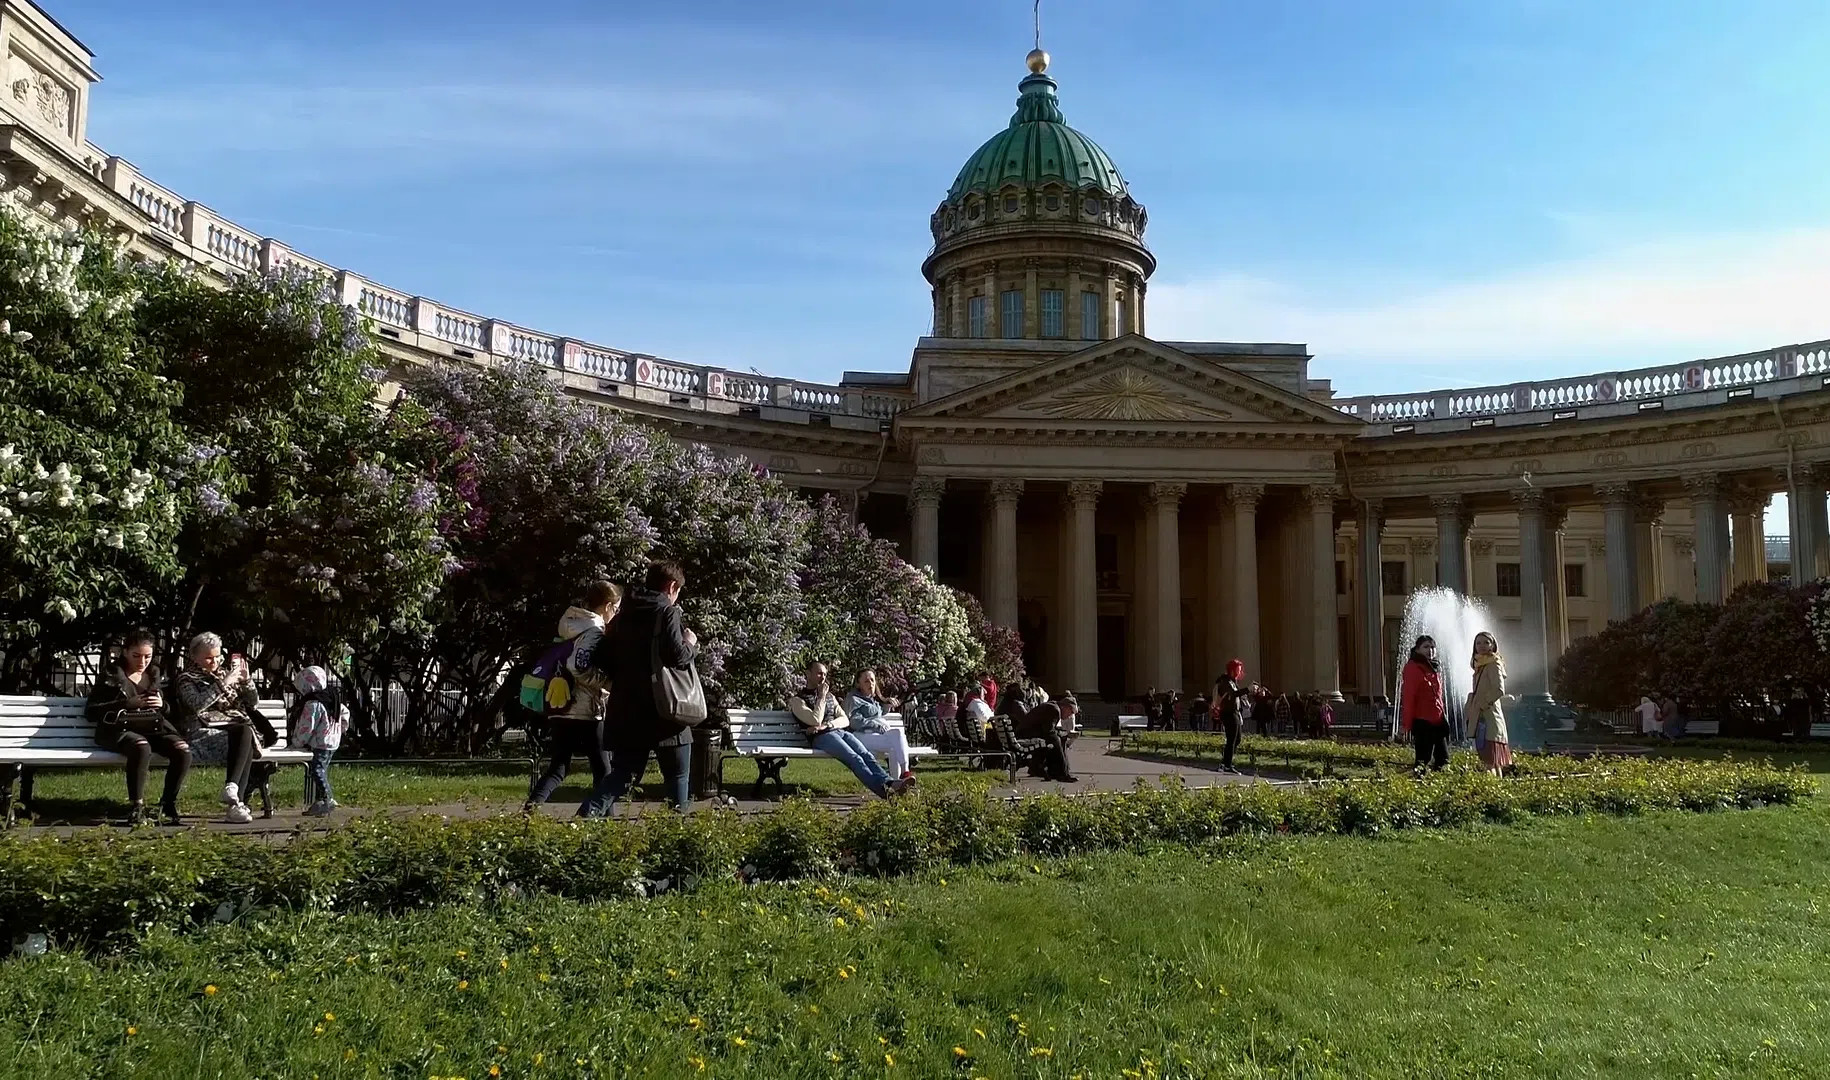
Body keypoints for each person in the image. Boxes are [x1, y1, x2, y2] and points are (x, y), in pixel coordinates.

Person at [579, 561, 698, 817]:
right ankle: (677, 836)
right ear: (672, 586)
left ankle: (588, 814)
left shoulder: (623, 615)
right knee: (678, 776)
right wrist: (691, 644)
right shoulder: (667, 612)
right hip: (665, 710)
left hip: (627, 709)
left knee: (622, 774)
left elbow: (602, 657)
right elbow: (677, 656)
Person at [525, 581, 620, 811]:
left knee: (559, 767)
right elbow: (578, 666)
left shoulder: (571, 625)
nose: (615, 614)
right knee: (604, 772)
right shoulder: (593, 631)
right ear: (607, 606)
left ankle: (531, 808)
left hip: (561, 706)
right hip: (586, 710)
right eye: (616, 609)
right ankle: (606, 821)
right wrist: (607, 682)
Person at [86, 629, 191, 825]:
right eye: (136, 656)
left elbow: (171, 711)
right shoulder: (112, 674)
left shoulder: (155, 673)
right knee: (141, 746)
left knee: (182, 750)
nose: (142, 662)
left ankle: (167, 804)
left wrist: (162, 705)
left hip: (153, 727)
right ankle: (137, 807)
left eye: (147, 657)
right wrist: (126, 704)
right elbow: (91, 711)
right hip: (119, 730)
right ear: (124, 652)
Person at [174, 632, 278, 824]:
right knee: (245, 736)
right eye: (208, 658)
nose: (214, 661)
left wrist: (247, 682)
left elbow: (252, 703)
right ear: (194, 657)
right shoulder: (186, 679)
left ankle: (233, 792)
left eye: (217, 656)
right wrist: (222, 685)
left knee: (245, 732)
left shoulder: (226, 673)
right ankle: (236, 804)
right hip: (202, 732)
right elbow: (196, 704)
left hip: (234, 730)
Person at [787, 661, 911, 798]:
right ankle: (886, 792)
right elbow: (815, 720)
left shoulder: (830, 697)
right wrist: (821, 697)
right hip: (821, 737)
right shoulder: (798, 700)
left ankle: (890, 783)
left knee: (867, 756)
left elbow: (845, 719)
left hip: (837, 731)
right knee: (855, 759)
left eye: (824, 674)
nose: (822, 677)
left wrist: (828, 725)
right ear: (808, 674)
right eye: (819, 673)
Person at [291, 665, 348, 816]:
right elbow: (345, 712)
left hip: (320, 742)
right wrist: (341, 728)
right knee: (321, 769)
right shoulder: (332, 696)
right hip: (332, 741)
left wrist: (297, 742)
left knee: (317, 770)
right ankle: (319, 803)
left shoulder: (313, 704)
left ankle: (327, 798)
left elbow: (306, 727)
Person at [844, 669, 916, 783]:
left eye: (872, 680)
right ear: (858, 684)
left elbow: (877, 713)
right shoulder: (854, 699)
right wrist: (876, 725)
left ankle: (898, 782)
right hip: (860, 737)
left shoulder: (871, 700)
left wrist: (887, 705)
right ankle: (905, 773)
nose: (871, 683)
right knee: (897, 734)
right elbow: (854, 722)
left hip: (873, 736)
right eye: (866, 681)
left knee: (894, 747)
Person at [1400, 636, 1449, 770]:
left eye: (1432, 647)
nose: (1430, 651)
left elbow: (1438, 696)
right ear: (1417, 649)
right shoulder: (1413, 667)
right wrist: (1406, 725)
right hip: (1423, 721)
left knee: (1443, 760)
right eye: (1426, 647)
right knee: (1423, 760)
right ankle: (1419, 785)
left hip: (1437, 720)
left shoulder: (1433, 667)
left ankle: (1440, 788)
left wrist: (1443, 716)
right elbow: (1409, 697)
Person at [1469, 631, 1510, 775]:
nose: (1482, 646)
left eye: (1486, 642)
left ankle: (1491, 791)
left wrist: (1482, 703)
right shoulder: (1480, 664)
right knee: (1491, 760)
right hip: (1482, 716)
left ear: (1493, 645)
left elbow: (1499, 690)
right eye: (1478, 643)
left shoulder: (1493, 663)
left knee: (1490, 759)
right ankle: (1495, 789)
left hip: (1489, 717)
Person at [1213, 659, 1249, 772]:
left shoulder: (1233, 682)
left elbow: (1236, 695)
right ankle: (1227, 765)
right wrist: (1248, 689)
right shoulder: (1225, 682)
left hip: (1235, 712)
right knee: (1232, 739)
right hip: (1228, 713)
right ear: (1232, 670)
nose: (1239, 672)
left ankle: (1225, 763)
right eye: (1238, 669)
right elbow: (1232, 694)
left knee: (1237, 739)